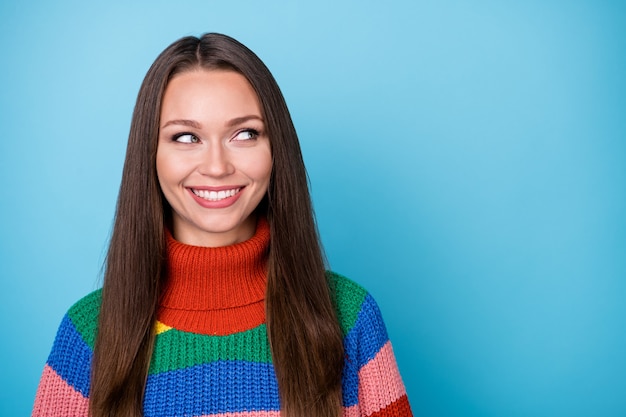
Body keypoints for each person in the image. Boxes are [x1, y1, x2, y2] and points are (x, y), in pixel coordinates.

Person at [32, 33, 412, 417]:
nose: (217, 166)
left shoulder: (350, 317)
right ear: (150, 154)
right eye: (186, 137)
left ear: (276, 147)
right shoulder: (88, 335)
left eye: (244, 134)